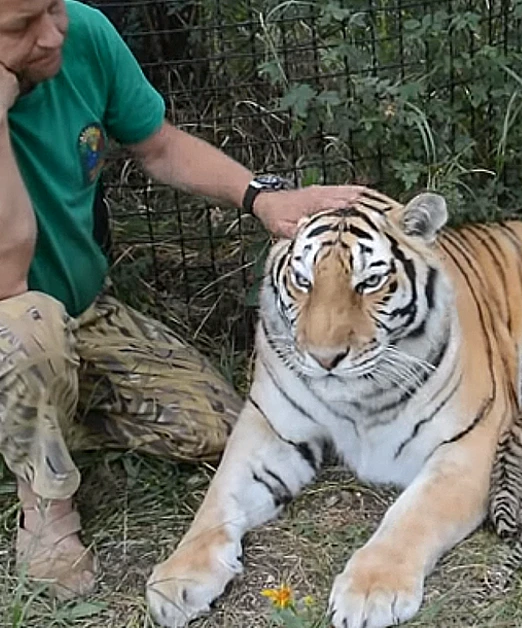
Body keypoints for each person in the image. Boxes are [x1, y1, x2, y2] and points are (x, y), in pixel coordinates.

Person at [1, 0, 370, 599]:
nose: (50, 37)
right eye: (21, 27)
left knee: (216, 428)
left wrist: (260, 199)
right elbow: (9, 276)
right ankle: (46, 511)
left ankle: (37, 412)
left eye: (52, 9)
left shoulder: (84, 33)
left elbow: (160, 146)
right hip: (14, 316)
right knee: (26, 325)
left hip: (84, 312)